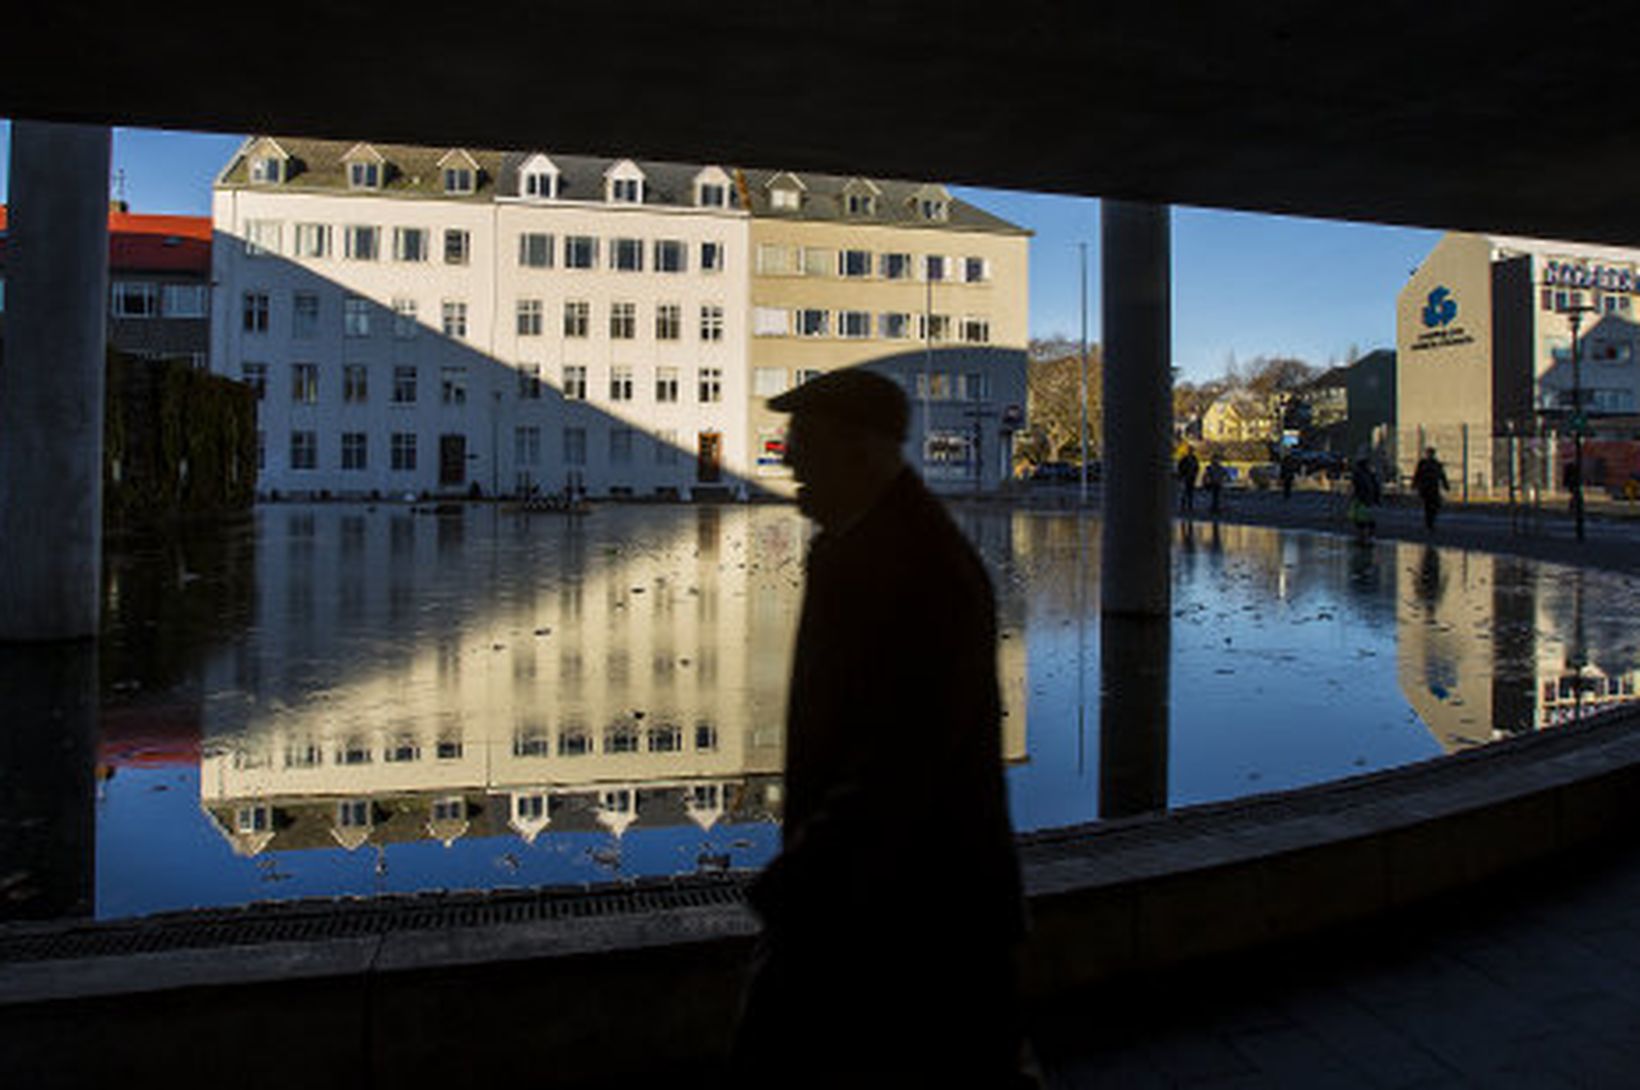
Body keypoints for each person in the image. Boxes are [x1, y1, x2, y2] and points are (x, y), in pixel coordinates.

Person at [734, 369, 1030, 1087]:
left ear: (861, 453)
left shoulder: (926, 571)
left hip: (918, 920)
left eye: (803, 444)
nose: (787, 458)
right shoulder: (856, 542)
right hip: (881, 903)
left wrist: (797, 884)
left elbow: (902, 766)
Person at [1412, 447, 1449, 532]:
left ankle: (1430, 522)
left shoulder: (1436, 464)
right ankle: (1429, 523)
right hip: (1426, 488)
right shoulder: (1423, 463)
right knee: (1428, 506)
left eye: (1431, 454)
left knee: (1434, 506)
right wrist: (1415, 484)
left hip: (1433, 488)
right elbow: (1418, 474)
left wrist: (1445, 485)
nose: (1429, 455)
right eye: (1428, 453)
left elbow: (1442, 475)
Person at [1349, 454, 1381, 543]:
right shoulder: (1369, 474)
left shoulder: (1359, 474)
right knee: (1366, 518)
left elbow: (1357, 487)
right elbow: (1375, 486)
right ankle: (1367, 535)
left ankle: (1364, 535)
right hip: (1367, 498)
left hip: (1363, 498)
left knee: (1361, 519)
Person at [1204, 452, 1228, 517]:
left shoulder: (1219, 467)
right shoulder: (1210, 467)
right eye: (1215, 459)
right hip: (1213, 483)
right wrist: (1206, 482)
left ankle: (1216, 508)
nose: (1216, 461)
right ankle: (1214, 508)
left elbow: (1225, 474)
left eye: (1217, 459)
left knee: (1217, 497)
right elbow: (1206, 475)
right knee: (1214, 497)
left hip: (1218, 483)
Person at [1176, 448, 1200, 513]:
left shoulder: (1194, 459)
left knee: (1190, 493)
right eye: (1190, 451)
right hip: (1185, 477)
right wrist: (1182, 474)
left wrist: (1195, 475)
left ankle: (1189, 506)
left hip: (1191, 478)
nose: (1191, 452)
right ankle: (1183, 506)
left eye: (1192, 451)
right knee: (1184, 493)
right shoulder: (1185, 459)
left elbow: (1197, 468)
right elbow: (1180, 467)